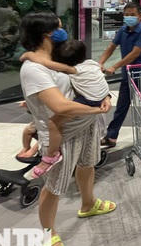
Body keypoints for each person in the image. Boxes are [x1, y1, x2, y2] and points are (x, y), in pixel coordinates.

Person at [19, 12, 114, 246]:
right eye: (59, 28)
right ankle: (48, 235)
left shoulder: (57, 56)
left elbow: (84, 77)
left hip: (86, 125)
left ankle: (88, 203)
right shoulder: (33, 69)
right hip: (62, 133)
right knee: (54, 187)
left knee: (87, 165)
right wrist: (95, 108)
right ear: (46, 34)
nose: (64, 31)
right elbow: (60, 107)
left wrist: (104, 95)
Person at [21, 39, 111, 177]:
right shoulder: (93, 64)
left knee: (53, 124)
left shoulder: (75, 70)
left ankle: (51, 155)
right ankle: (37, 150)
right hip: (101, 95)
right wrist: (106, 96)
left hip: (89, 101)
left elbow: (48, 64)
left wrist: (29, 56)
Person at [100, 2, 141, 148]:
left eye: (132, 15)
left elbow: (135, 53)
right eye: (127, 15)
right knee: (121, 106)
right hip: (128, 74)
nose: (129, 17)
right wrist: (100, 62)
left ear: (140, 16)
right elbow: (111, 47)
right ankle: (111, 136)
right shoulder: (123, 30)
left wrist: (114, 66)